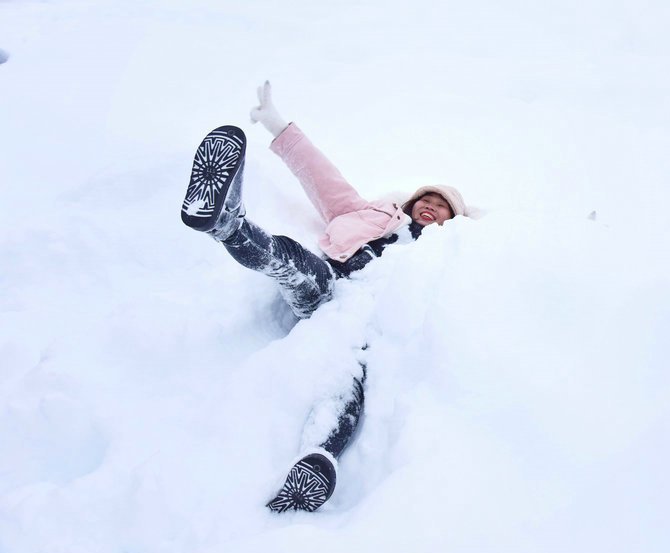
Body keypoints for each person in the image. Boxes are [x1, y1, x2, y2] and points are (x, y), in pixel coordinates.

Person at [180, 82, 468, 513]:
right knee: (291, 263)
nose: (430, 204)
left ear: (455, 220)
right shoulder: (365, 213)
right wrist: (278, 125)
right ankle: (226, 223)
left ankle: (317, 459)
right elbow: (319, 174)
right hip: (334, 292)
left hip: (375, 324)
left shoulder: (450, 262)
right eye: (425, 197)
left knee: (346, 385)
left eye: (443, 205)